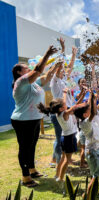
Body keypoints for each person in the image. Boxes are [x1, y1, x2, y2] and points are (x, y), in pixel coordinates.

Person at [11, 45, 57, 187]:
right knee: (24, 148)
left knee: (32, 146)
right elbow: (38, 70)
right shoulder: (20, 82)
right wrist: (47, 54)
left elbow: (46, 76)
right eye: (25, 68)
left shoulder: (34, 83)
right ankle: (25, 177)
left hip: (34, 119)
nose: (28, 68)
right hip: (23, 120)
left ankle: (32, 169)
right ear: (19, 72)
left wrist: (56, 66)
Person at [50, 38, 78, 167]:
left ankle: (65, 158)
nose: (63, 70)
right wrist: (62, 48)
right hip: (59, 112)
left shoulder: (64, 80)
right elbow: (60, 64)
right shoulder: (54, 81)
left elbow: (70, 66)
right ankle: (55, 160)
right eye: (61, 70)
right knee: (60, 136)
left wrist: (73, 55)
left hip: (66, 111)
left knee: (68, 135)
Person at [74, 92, 99, 198]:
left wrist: (92, 97)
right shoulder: (86, 122)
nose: (91, 111)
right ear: (85, 114)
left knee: (95, 174)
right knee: (96, 176)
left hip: (93, 150)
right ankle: (87, 194)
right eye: (88, 111)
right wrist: (91, 98)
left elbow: (92, 111)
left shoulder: (85, 121)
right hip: (93, 152)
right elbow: (92, 112)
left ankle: (91, 192)